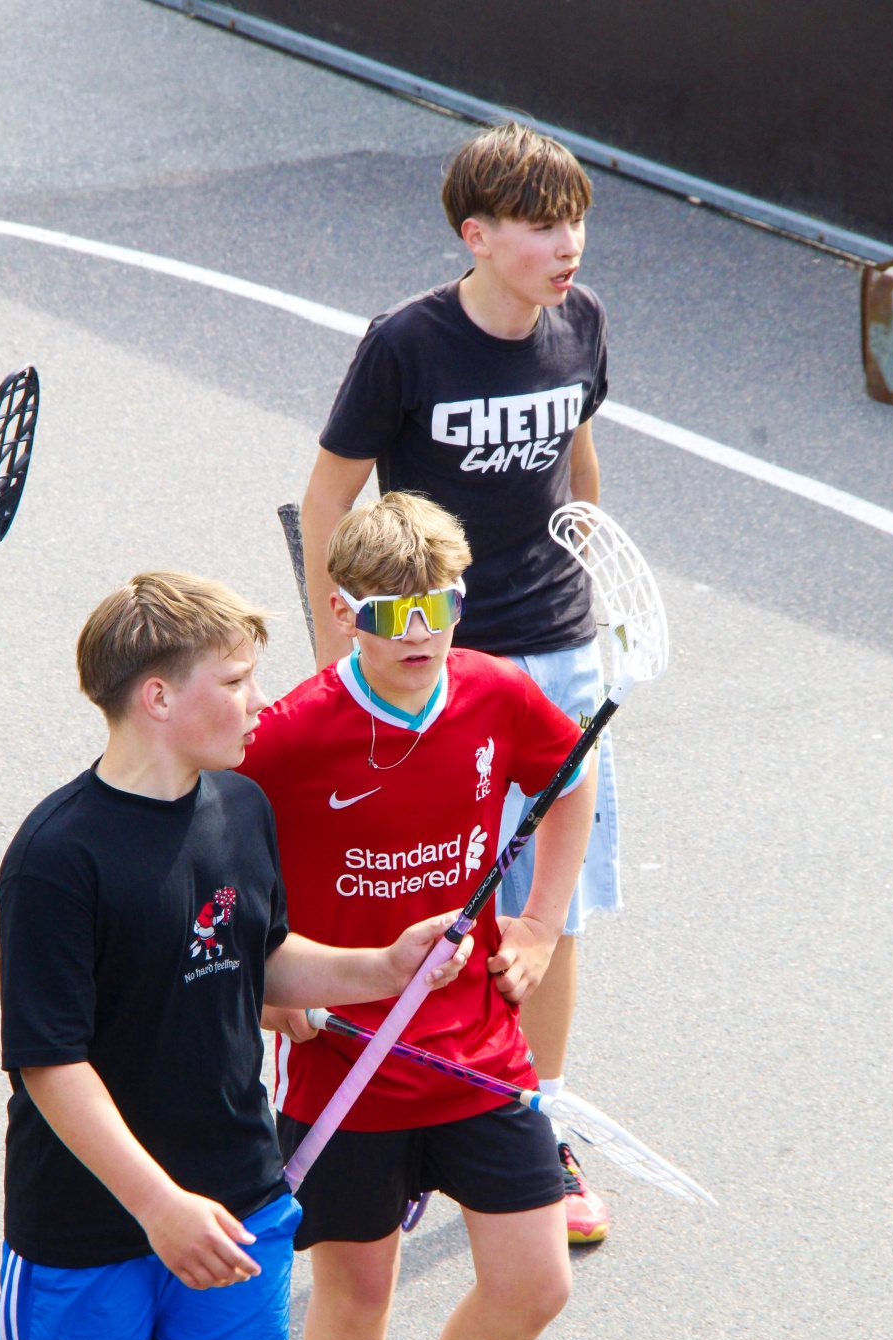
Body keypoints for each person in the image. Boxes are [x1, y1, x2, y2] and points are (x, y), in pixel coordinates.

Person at [0, 571, 469, 1340]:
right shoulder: (56, 859)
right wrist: (159, 1206)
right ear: (158, 698)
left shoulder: (241, 807)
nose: (260, 702)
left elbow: (263, 958)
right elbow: (52, 1065)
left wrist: (385, 967)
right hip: (92, 1221)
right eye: (237, 680)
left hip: (239, 1197)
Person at [299, 118, 620, 1243]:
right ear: (477, 236)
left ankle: (537, 1122)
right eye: (540, 226)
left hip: (561, 644)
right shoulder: (408, 344)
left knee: (550, 908)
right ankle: (404, 1122)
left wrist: (595, 562)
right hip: (436, 653)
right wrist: (338, 654)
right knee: (422, 891)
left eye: (574, 222)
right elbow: (330, 495)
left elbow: (577, 454)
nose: (565, 245)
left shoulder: (581, 322)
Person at [243, 493, 595, 1340]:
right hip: (345, 1063)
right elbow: (211, 871)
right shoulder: (287, 735)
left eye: (440, 607)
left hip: (477, 1050)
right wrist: (268, 990)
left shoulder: (494, 693)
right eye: (395, 613)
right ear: (343, 611)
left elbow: (570, 781)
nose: (421, 633)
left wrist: (540, 923)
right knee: (357, 1294)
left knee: (535, 1281)